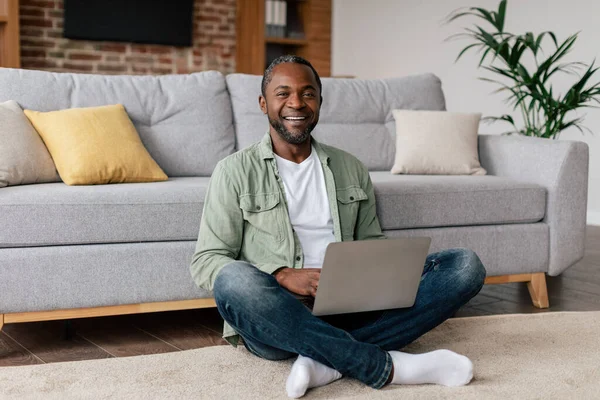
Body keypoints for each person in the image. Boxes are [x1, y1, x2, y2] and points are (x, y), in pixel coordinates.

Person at [190, 55, 486, 398]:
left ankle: (323, 361)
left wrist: (370, 276)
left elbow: (372, 244)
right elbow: (208, 260)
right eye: (283, 93)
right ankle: (383, 366)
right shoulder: (234, 171)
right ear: (263, 103)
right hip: (279, 318)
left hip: (351, 308)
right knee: (232, 280)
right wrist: (282, 275)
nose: (297, 103)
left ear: (320, 100)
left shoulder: (350, 167)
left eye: (308, 93)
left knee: (465, 266)